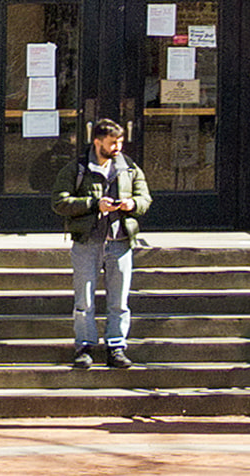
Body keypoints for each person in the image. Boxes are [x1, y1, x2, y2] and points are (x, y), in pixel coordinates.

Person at [54, 114, 148, 368]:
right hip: (87, 242)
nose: (117, 147)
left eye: (120, 142)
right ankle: (85, 346)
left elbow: (145, 198)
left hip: (120, 242)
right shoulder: (77, 168)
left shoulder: (128, 167)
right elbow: (60, 202)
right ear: (97, 142)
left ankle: (116, 347)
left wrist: (132, 204)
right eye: (112, 142)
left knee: (119, 300)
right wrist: (95, 204)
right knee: (84, 299)